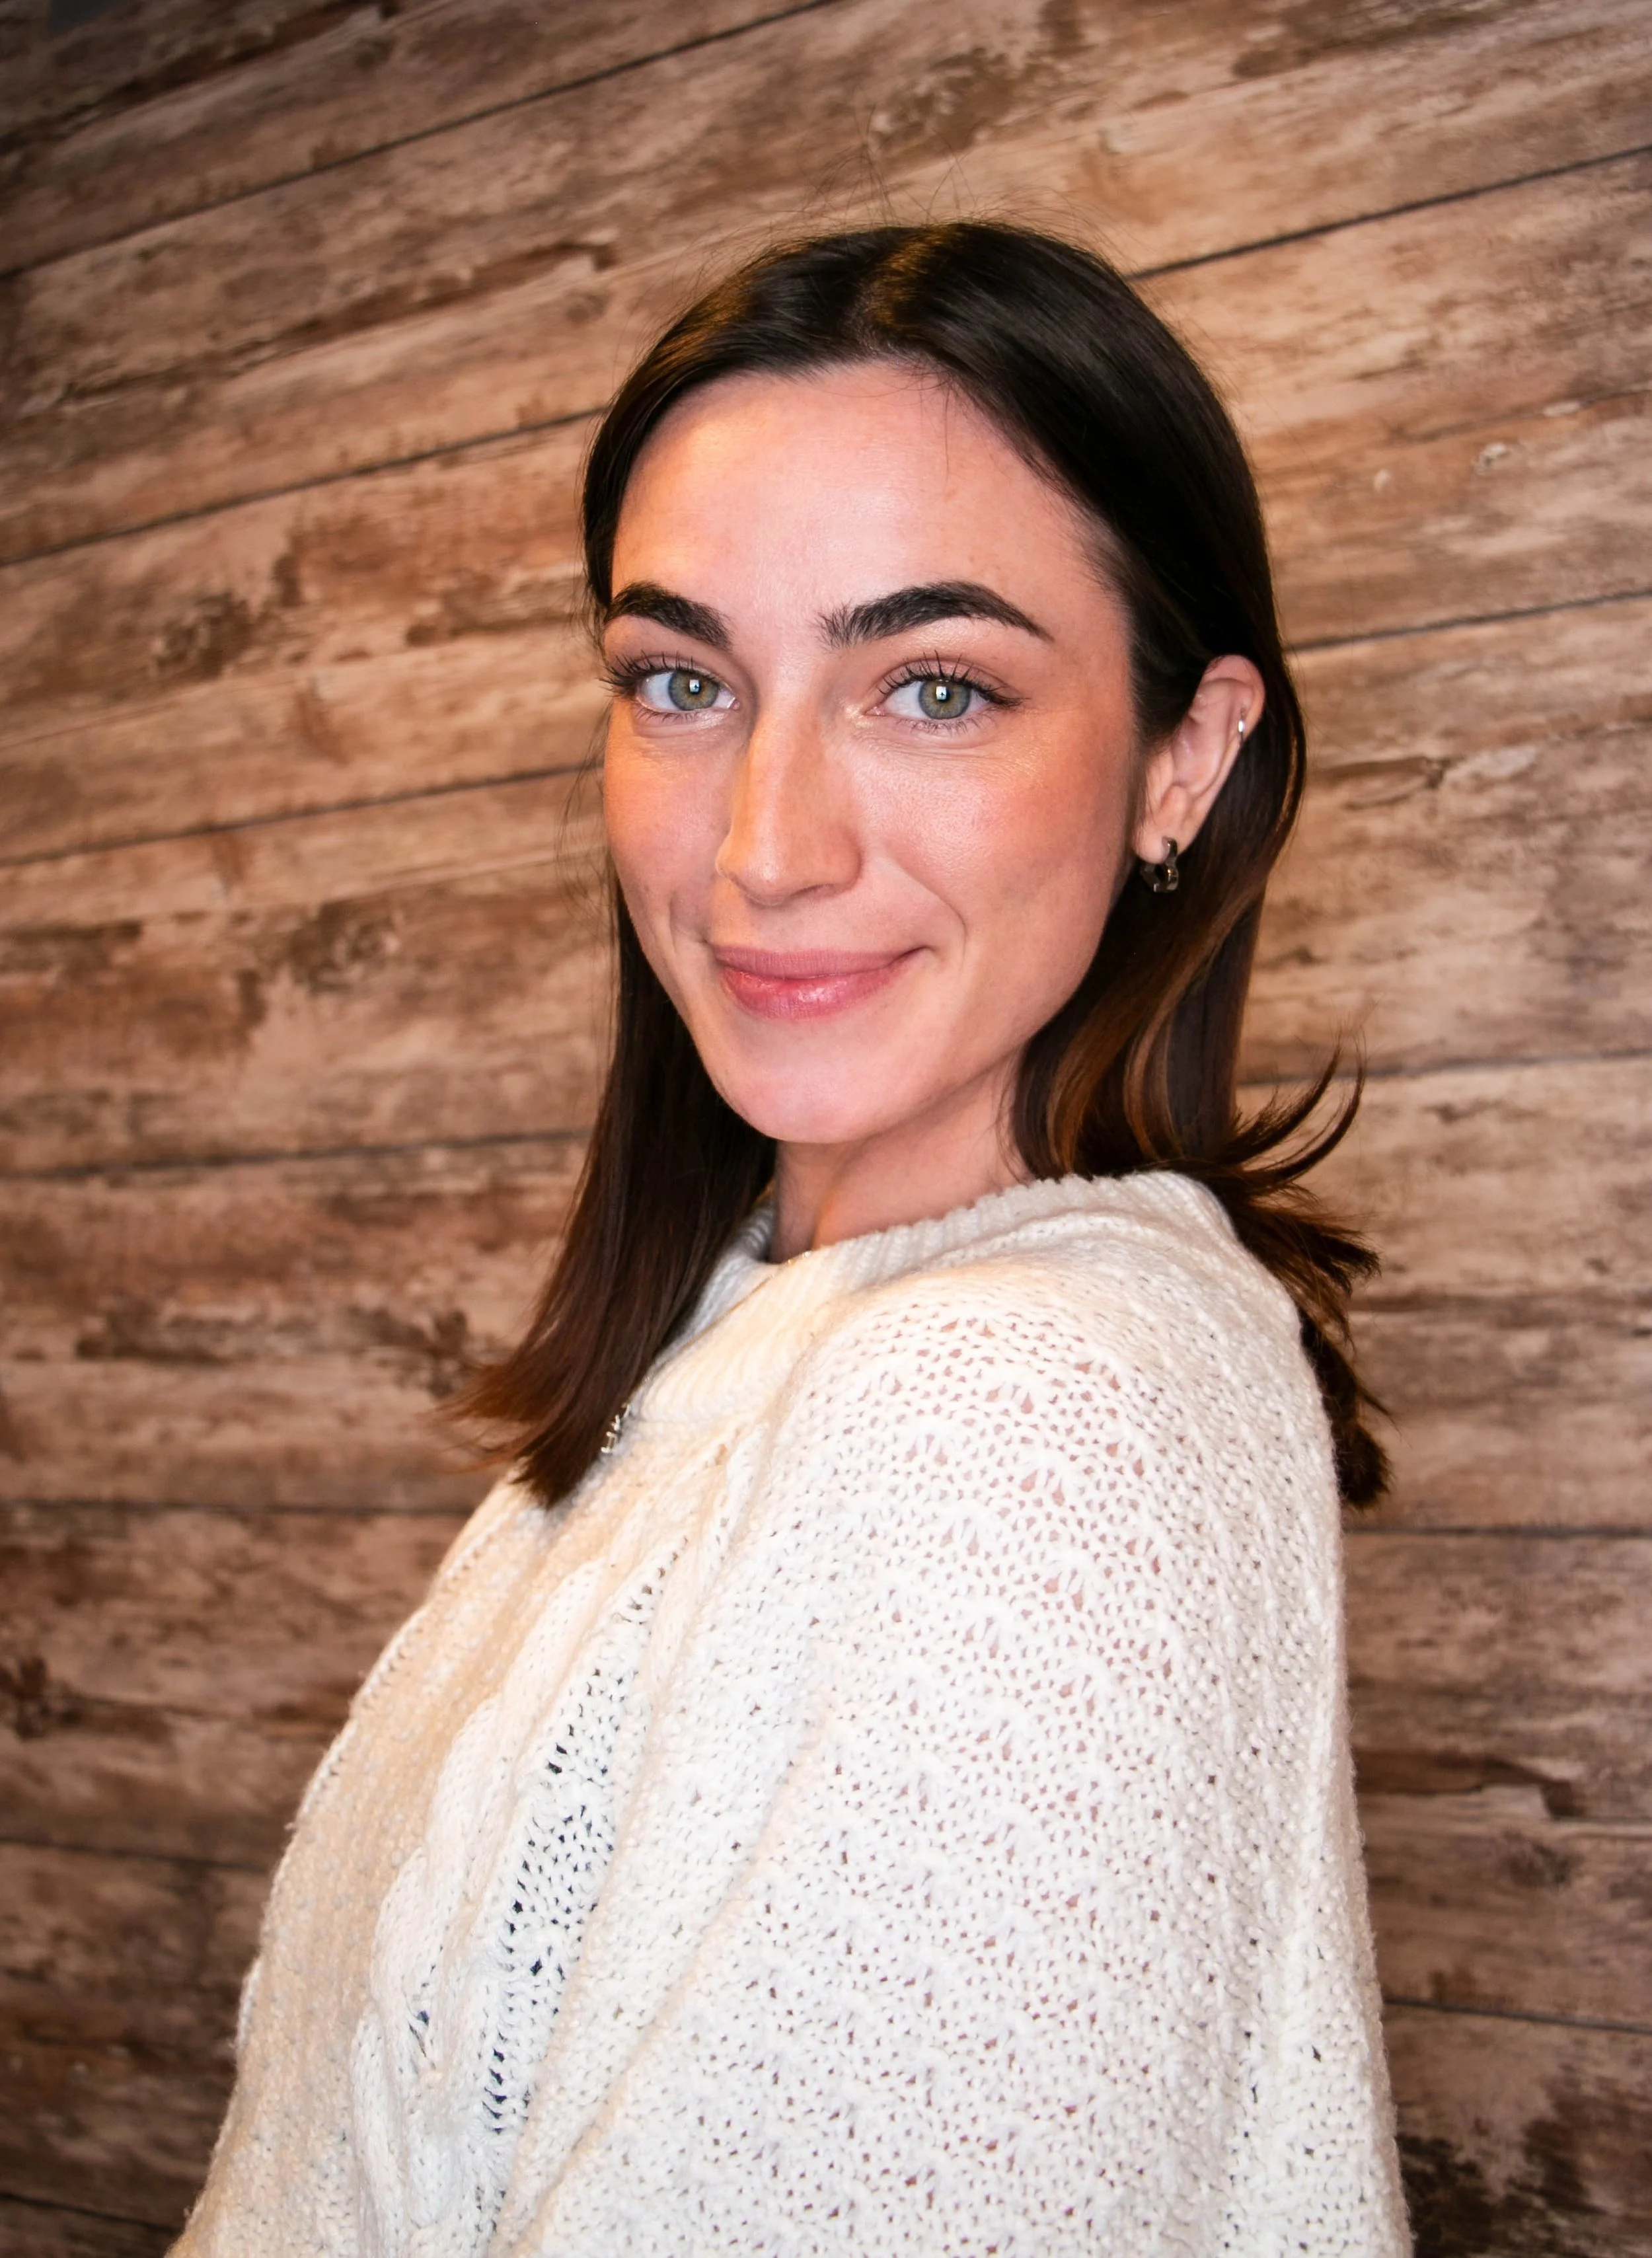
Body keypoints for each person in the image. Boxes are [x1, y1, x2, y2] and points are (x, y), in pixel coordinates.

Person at [176, 223, 1409, 2255]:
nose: (763, 845)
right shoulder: (743, 1348)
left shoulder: (1024, 1401)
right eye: (680, 682)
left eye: (932, 686)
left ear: (1180, 757)